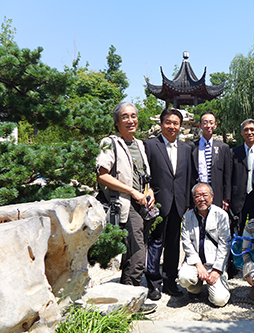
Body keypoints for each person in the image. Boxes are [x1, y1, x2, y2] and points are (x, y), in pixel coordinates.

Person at [96, 102, 158, 314]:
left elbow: (143, 175)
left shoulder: (140, 144)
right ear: (117, 122)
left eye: (133, 116)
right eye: (125, 117)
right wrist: (132, 192)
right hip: (125, 203)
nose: (131, 120)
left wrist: (149, 192)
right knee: (139, 254)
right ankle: (131, 303)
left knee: (133, 253)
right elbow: (102, 175)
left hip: (142, 203)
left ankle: (123, 299)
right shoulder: (109, 142)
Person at [144, 108, 192, 300]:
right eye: (168, 122)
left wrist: (187, 202)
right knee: (156, 242)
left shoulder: (187, 149)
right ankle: (153, 283)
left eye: (176, 123)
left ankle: (170, 282)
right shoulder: (149, 145)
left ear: (180, 126)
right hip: (157, 203)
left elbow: (189, 177)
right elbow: (144, 174)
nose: (172, 126)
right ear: (161, 124)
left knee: (173, 244)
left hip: (179, 203)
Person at [178, 183, 231, 307]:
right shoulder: (187, 217)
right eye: (197, 196)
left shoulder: (221, 215)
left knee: (220, 300)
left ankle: (218, 283)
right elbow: (186, 243)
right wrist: (198, 264)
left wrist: (217, 270)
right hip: (196, 263)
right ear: (193, 198)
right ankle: (195, 288)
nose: (201, 199)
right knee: (184, 278)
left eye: (205, 195)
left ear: (212, 196)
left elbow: (225, 244)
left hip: (214, 263)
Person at [189, 111, 232, 210]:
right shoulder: (191, 147)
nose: (208, 125)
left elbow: (227, 175)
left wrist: (226, 198)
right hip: (197, 193)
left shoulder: (223, 148)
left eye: (211, 122)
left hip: (216, 193)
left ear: (215, 125)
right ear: (200, 125)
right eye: (205, 122)